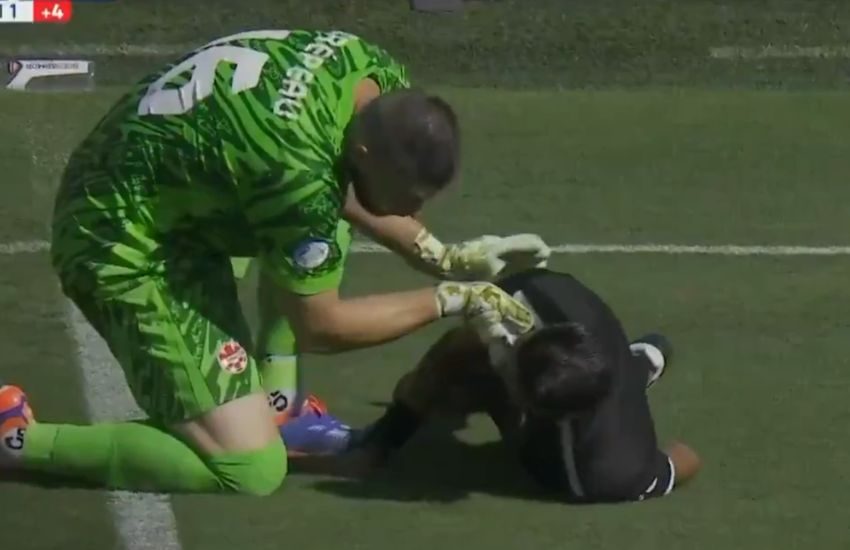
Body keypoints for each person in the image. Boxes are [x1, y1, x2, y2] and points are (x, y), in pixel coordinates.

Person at [0, 30, 547, 496]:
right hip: (118, 238)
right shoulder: (299, 172)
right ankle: (18, 441)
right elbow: (322, 326)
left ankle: (276, 399)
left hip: (173, 184)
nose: (414, 211)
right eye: (408, 196)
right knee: (250, 468)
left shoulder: (372, 72)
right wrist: (454, 298)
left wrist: (443, 256)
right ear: (363, 154)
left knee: (316, 226)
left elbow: (344, 194)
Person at [338, 268, 701, 503]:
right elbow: (456, 347)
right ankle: (637, 362)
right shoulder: (539, 295)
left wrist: (650, 460)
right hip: (602, 339)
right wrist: (389, 434)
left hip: (583, 442)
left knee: (465, 396)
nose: (502, 357)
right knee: (456, 375)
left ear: (534, 410)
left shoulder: (607, 471)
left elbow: (685, 461)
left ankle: (637, 369)